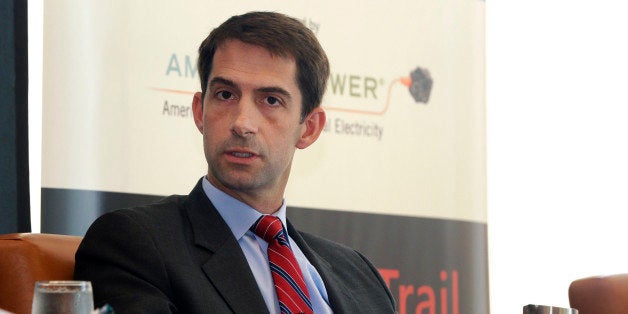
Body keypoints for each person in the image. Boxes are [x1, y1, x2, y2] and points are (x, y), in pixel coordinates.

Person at [74, 11, 396, 314]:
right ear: (200, 112)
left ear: (309, 128)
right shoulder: (134, 245)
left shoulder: (359, 275)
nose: (242, 123)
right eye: (226, 95)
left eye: (271, 100)